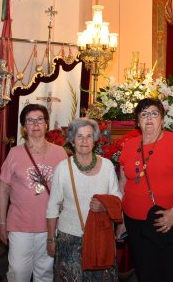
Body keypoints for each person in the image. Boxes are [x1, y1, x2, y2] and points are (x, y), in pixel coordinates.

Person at [116, 98, 173, 281]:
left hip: (164, 219)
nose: (149, 118)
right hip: (133, 221)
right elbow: (121, 186)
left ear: (162, 119)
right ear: (137, 121)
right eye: (144, 114)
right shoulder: (129, 145)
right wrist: (121, 220)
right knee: (144, 270)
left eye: (154, 113)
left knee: (167, 272)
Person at [0, 103, 68, 282]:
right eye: (30, 121)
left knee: (45, 274)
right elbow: (3, 189)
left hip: (50, 226)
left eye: (39, 120)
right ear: (24, 127)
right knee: (18, 273)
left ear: (46, 124)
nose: (35, 124)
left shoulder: (60, 153)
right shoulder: (14, 153)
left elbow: (68, 189)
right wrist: (2, 222)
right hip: (20, 225)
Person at [46, 118, 122, 281]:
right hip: (70, 240)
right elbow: (52, 206)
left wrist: (105, 205)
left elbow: (117, 197)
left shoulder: (107, 166)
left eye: (88, 136)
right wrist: (51, 239)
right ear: (72, 140)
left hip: (100, 238)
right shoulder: (63, 168)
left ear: (95, 140)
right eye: (79, 136)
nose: (84, 141)